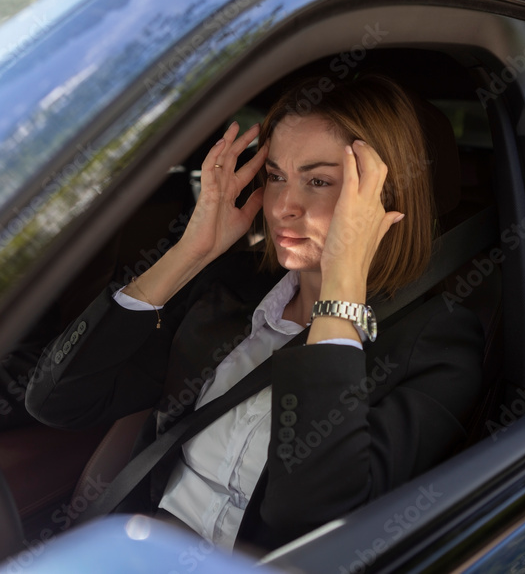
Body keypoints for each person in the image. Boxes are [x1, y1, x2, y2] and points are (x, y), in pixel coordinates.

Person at [25, 73, 484, 551]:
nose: (284, 205)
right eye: (276, 176)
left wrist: (342, 281)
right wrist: (192, 253)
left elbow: (311, 520)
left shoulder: (438, 344)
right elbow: (57, 400)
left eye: (320, 180)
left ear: (381, 197)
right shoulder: (229, 289)